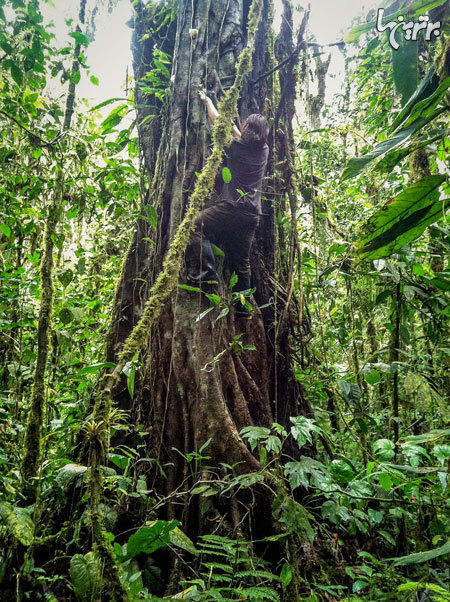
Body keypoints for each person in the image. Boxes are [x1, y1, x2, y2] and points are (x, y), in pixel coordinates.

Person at [185, 88, 269, 316]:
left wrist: (208, 101)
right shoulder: (264, 150)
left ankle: (208, 275)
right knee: (242, 262)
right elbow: (240, 137)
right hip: (251, 217)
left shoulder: (237, 149)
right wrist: (235, 125)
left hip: (231, 209)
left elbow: (216, 123)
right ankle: (243, 309)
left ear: (245, 129)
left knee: (194, 226)